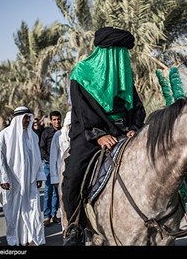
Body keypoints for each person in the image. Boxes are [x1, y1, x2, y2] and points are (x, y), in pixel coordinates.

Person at [62, 27, 146, 246]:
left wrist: (134, 127)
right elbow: (83, 111)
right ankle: (74, 225)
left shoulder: (124, 77)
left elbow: (137, 106)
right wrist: (99, 135)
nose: (123, 58)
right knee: (72, 176)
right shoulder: (81, 73)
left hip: (123, 131)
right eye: (119, 52)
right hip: (90, 133)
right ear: (107, 52)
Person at [0, 106, 46, 246]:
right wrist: (3, 178)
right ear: (18, 119)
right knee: (14, 209)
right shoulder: (5, 135)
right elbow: (0, 158)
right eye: (25, 118)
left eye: (29, 117)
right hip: (13, 180)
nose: (28, 120)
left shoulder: (33, 136)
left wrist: (39, 176)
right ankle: (14, 239)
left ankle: (32, 238)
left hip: (29, 179)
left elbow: (37, 157)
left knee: (32, 207)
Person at [50, 110, 71, 231]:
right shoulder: (58, 135)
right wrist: (54, 177)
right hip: (60, 173)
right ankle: (65, 228)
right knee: (62, 202)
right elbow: (53, 157)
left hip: (73, 172)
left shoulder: (77, 134)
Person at [40, 110, 62, 227]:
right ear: (51, 121)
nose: (57, 121)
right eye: (54, 119)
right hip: (48, 165)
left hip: (60, 165)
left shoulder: (64, 132)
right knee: (48, 190)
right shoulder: (46, 133)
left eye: (58, 119)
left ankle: (54, 215)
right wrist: (51, 159)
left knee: (57, 191)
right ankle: (46, 216)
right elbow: (42, 149)